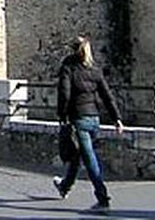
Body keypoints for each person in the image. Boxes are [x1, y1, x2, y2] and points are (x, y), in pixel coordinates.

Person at [53, 36, 123, 211]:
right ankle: (65, 186)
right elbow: (107, 95)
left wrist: (62, 115)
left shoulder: (69, 67)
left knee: (90, 159)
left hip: (79, 119)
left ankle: (103, 198)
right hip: (94, 119)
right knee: (79, 155)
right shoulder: (94, 69)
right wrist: (117, 119)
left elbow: (64, 93)